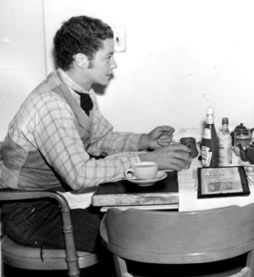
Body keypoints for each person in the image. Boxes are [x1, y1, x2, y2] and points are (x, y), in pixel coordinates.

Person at [0, 15, 192, 256]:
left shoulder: (80, 92)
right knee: (133, 235)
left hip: (57, 199)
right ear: (81, 60)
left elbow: (100, 140)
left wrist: (145, 141)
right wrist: (148, 160)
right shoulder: (51, 104)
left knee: (142, 223)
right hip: (31, 211)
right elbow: (80, 175)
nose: (114, 65)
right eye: (108, 57)